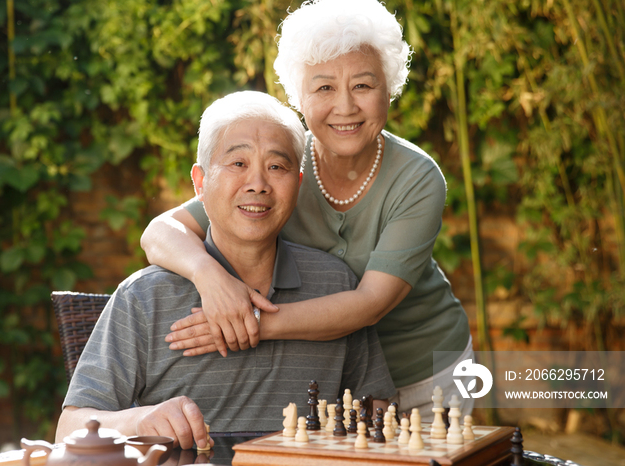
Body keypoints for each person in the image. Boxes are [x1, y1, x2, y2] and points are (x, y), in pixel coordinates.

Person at [140, 0, 473, 420]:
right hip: (333, 378)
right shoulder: (279, 171)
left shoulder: (419, 178)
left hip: (425, 371)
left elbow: (369, 303)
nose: (346, 106)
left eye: (364, 86)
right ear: (300, 97)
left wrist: (248, 323)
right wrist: (211, 280)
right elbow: (160, 232)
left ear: (389, 88)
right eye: (324, 88)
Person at [56, 91, 395, 449]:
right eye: (238, 164)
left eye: (276, 167)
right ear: (200, 183)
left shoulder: (335, 283)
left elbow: (378, 406)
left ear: (297, 185)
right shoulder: (144, 297)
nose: (258, 184)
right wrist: (139, 419)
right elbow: (68, 429)